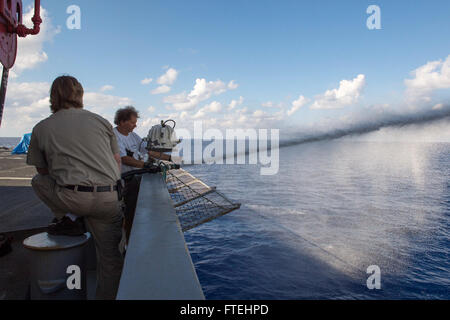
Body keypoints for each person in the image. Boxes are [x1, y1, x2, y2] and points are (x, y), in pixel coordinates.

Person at [26, 75, 124, 300]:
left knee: (37, 182)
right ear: (80, 95)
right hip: (109, 198)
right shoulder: (101, 121)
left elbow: (42, 172)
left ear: (53, 97)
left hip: (71, 197)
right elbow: (116, 161)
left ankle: (68, 218)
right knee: (110, 260)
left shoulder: (41, 127)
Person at [113, 106, 171, 241]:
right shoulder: (114, 136)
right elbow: (124, 158)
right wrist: (146, 165)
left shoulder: (133, 136)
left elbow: (149, 151)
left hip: (133, 181)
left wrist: (170, 158)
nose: (135, 125)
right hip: (120, 183)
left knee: (132, 213)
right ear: (122, 122)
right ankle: (125, 242)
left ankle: (130, 240)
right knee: (124, 216)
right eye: (132, 122)